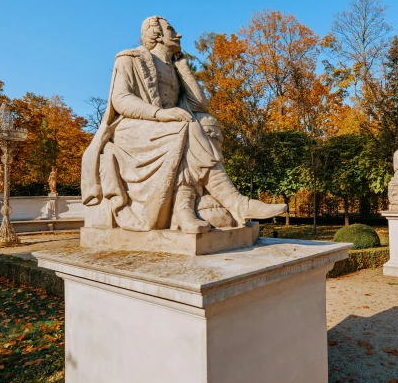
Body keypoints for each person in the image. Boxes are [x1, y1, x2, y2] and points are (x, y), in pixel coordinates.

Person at [81, 16, 286, 233]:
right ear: (156, 34)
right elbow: (120, 99)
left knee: (207, 123)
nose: (178, 35)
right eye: (171, 30)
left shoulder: (174, 67)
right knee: (187, 127)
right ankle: (235, 203)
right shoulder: (130, 58)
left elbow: (200, 105)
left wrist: (183, 67)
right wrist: (160, 114)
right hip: (133, 127)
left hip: (168, 125)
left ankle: (186, 207)